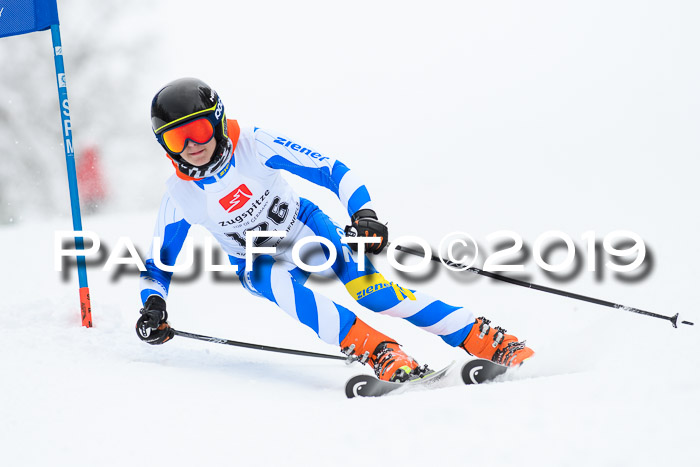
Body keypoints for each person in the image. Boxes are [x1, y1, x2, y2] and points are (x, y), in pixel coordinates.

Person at [136, 77, 534, 382]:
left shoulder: (252, 144)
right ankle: (381, 352)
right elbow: (157, 266)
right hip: (255, 258)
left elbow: (332, 170)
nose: (191, 145)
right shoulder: (179, 196)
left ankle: (486, 339)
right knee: (281, 289)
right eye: (176, 137)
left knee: (375, 295)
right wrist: (154, 306)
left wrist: (364, 215)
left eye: (199, 130)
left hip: (304, 228)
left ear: (218, 121)